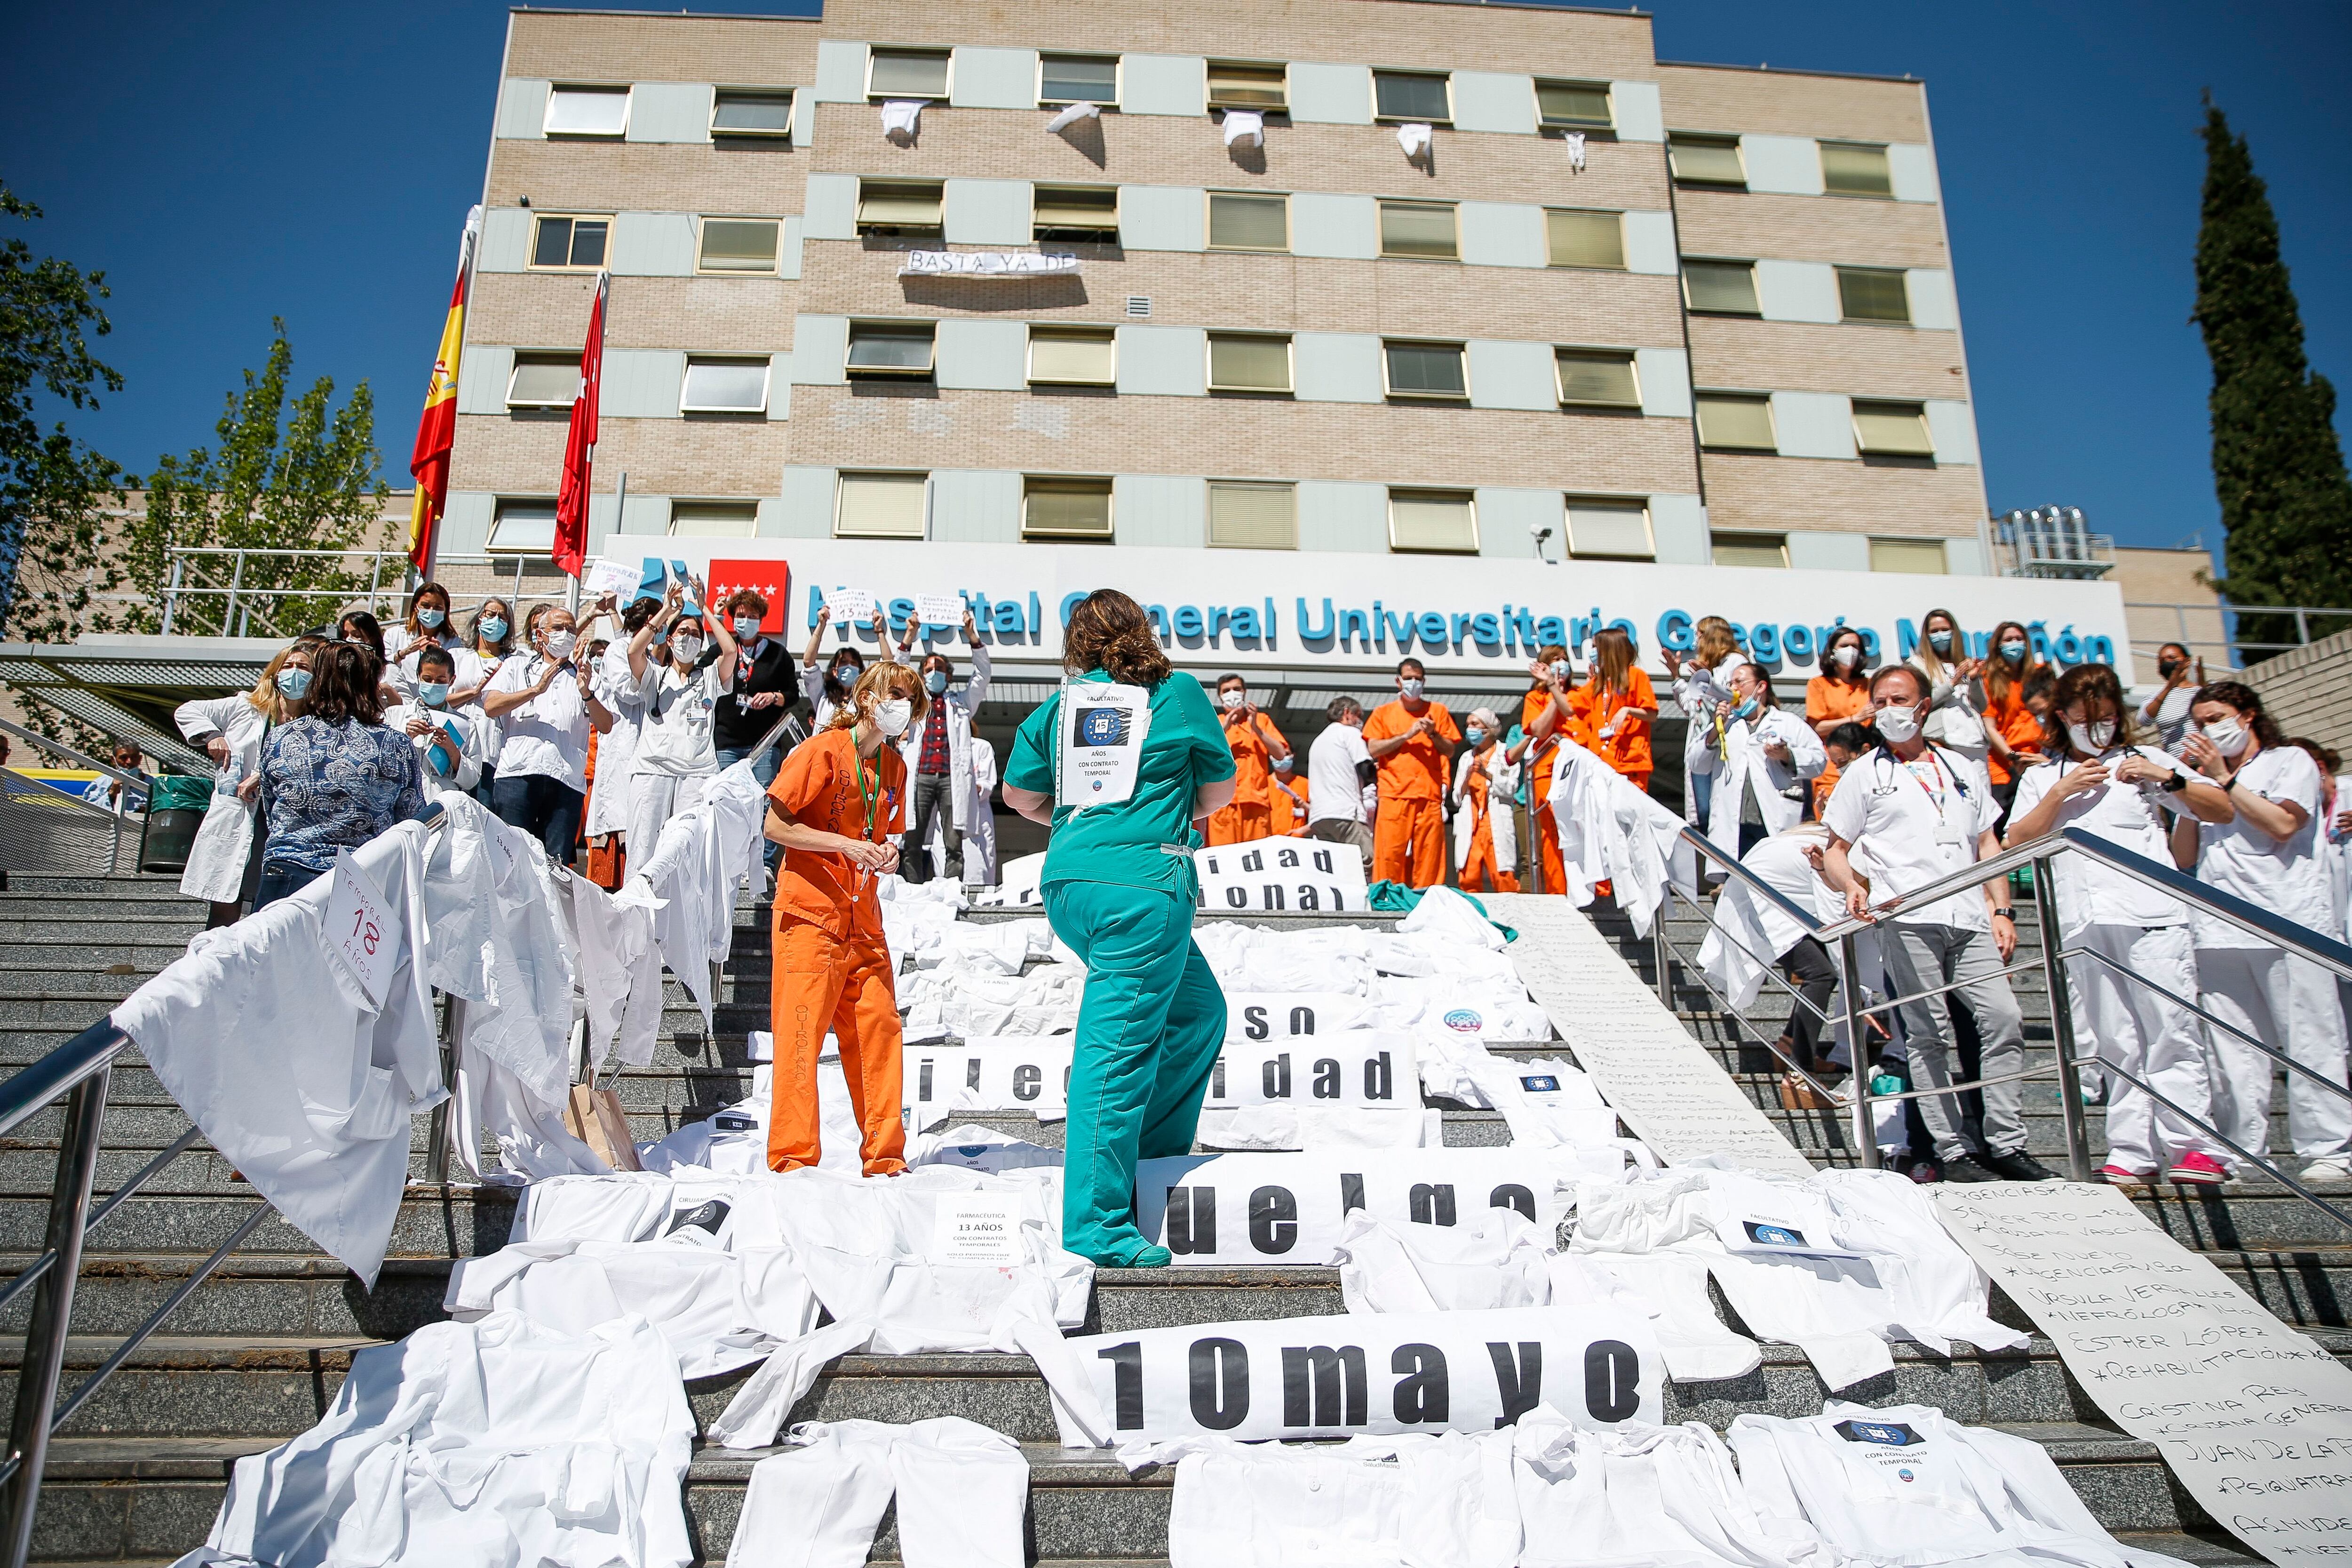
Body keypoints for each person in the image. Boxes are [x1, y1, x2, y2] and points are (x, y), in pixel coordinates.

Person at [1001, 589, 1236, 1266]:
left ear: (1076, 647)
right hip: (1143, 890)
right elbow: (1219, 795)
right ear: (1143, 631)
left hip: (1070, 884)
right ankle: (1098, 1225)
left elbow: (1018, 797)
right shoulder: (1178, 691)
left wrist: (1087, 829)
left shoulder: (1061, 705)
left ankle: (1151, 1160)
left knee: (1199, 1014)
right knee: (1117, 1055)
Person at [1820, 663, 2052, 1184]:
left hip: (1968, 916)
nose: (1887, 710)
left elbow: (1986, 843)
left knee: (2003, 1020)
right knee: (1927, 1034)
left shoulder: (1962, 768)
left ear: (1923, 707)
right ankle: (1950, 1151)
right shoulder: (1864, 774)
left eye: (1897, 700)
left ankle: (2005, 1142)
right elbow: (1835, 848)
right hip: (1907, 916)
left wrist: (2001, 908)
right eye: (1879, 702)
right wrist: (1852, 887)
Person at [2005, 663, 2234, 1186]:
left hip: (2152, 917)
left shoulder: (2146, 760)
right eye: (2086, 720)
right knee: (2114, 1040)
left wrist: (2167, 779)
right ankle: (2131, 1149)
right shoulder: (2044, 776)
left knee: (2170, 1032)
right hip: (2085, 923)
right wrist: (2057, 794)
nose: (2098, 729)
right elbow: (2016, 840)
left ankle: (2192, 1145)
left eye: (2107, 719)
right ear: (2062, 717)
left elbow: (2219, 808)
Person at [2170, 680, 2352, 1190]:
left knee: (2309, 1039)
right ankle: (2242, 1150)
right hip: (2220, 925)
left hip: (2287, 920)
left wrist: (2224, 781)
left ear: (2247, 715)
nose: (2208, 729)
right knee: (2231, 1048)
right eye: (2199, 722)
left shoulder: (2288, 760)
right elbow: (2183, 856)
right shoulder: (2202, 776)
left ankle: (2329, 1147)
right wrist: (2183, 792)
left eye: (2217, 717)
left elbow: (2280, 824)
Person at [762, 661, 923, 1177]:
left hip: (863, 917)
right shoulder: (819, 750)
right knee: (800, 1038)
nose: (902, 704)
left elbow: (882, 839)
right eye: (894, 693)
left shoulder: (895, 767)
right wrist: (845, 845)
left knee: (880, 1033)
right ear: (868, 696)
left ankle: (885, 1158)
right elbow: (773, 825)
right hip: (810, 914)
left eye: (909, 698)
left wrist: (888, 855)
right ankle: (792, 1159)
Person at [252, 643, 425, 910]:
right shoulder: (395, 745)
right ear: (370, 684)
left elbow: (271, 807)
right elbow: (411, 821)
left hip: (286, 874)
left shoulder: (279, 737)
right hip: (361, 881)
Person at [176, 637, 323, 927]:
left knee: (267, 907)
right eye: (288, 666)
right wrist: (212, 735)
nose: (294, 672)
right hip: (240, 815)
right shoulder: (246, 706)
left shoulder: (317, 721)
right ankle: (213, 964)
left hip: (284, 820)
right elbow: (187, 710)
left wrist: (263, 776)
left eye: (303, 667)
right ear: (275, 673)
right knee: (226, 901)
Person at [480, 602, 617, 865]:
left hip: (565, 779)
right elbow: (491, 706)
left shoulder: (586, 676)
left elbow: (606, 724)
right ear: (540, 635)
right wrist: (535, 690)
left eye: (570, 629)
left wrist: (586, 692)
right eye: (558, 628)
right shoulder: (516, 667)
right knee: (510, 861)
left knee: (555, 866)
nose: (565, 633)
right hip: (517, 776)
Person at [626, 575, 737, 857]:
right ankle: (638, 903)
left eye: (696, 634)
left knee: (688, 853)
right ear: (671, 637)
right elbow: (634, 651)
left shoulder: (710, 677)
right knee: (644, 850)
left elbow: (731, 650)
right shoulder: (655, 675)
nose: (689, 638)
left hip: (696, 774)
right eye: (683, 632)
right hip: (654, 770)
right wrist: (666, 611)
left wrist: (705, 609)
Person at [893, 610, 991, 883]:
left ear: (949, 676)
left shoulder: (962, 703)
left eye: (940, 669)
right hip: (921, 776)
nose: (934, 673)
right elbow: (896, 675)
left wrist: (972, 636)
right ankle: (912, 889)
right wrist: (909, 637)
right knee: (911, 840)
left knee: (953, 842)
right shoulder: (914, 703)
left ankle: (951, 890)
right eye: (928, 670)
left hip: (951, 779)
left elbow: (983, 675)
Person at [1696, 661, 1826, 862]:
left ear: (1761, 687)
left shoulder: (1788, 722)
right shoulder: (1725, 726)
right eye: (1731, 684)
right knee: (1737, 882)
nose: (1733, 689)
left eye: (1739, 682)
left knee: (1773, 878)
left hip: (1771, 819)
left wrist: (1786, 756)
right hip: (1734, 824)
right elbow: (1696, 764)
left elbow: (1819, 760)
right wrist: (1716, 726)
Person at [1361, 659, 1461, 887]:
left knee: (1430, 858)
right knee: (1389, 855)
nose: (1413, 683)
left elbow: (1450, 750)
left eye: (1417, 679)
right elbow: (1374, 748)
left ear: (1424, 682)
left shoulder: (1438, 711)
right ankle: (1386, 901)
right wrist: (1406, 736)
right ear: (1398, 682)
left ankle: (1426, 901)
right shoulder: (1382, 713)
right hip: (1394, 795)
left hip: (1428, 796)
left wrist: (1434, 734)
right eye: (1408, 679)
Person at [583, 597, 659, 884]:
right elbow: (628, 690)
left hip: (646, 752)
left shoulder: (649, 657)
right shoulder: (616, 651)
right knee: (618, 821)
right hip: (622, 747)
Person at [1518, 644, 1589, 893]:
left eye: (1564, 659)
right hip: (1549, 774)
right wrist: (1552, 689)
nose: (1561, 663)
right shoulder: (1535, 698)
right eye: (1554, 660)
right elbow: (1539, 731)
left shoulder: (1581, 693)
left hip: (1581, 772)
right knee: (1553, 838)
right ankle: (1560, 893)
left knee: (1587, 832)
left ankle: (1596, 892)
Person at [713, 588, 796, 783]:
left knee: (762, 800)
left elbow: (793, 694)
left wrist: (774, 697)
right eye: (741, 616)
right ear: (733, 619)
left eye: (752, 616)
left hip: (765, 744)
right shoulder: (724, 650)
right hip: (727, 743)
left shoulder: (778, 653)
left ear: (761, 620)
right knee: (726, 798)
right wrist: (716, 617)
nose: (746, 621)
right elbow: (703, 673)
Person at [382, 646, 488, 801]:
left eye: (440, 680)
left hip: (442, 804)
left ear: (452, 680)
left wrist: (453, 752)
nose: (433, 684)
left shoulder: (465, 725)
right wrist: (405, 739)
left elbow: (471, 781)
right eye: (427, 679)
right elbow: (382, 766)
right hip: (401, 803)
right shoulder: (395, 716)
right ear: (418, 676)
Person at [1664, 615, 1740, 830]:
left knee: (1716, 813)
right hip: (1703, 745)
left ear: (1711, 637)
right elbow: (1691, 705)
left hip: (1721, 748)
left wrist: (1710, 684)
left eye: (1698, 635)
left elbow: (1735, 700)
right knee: (1703, 815)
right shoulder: (1709, 669)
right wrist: (1675, 676)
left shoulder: (1734, 663)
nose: (1696, 642)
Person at [1206, 673, 1292, 845]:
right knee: (1225, 860)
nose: (1232, 693)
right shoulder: (1215, 722)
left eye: (1237, 689)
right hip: (1223, 805)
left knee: (1257, 861)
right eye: (1227, 690)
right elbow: (1203, 754)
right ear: (1220, 696)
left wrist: (1257, 729)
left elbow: (1281, 754)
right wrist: (1224, 729)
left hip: (1256, 803)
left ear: (1244, 692)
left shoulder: (1261, 720)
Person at [1573, 627, 1659, 795]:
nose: (1592, 652)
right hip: (1601, 765)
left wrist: (1628, 710)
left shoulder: (1636, 675)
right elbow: (1571, 706)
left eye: (1595, 647)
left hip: (1630, 765)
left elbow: (1652, 714)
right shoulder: (1599, 682)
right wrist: (1553, 686)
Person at [1979, 620, 2047, 821]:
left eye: (2019, 639)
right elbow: (1989, 727)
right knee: (2005, 820)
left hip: (2040, 758)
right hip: (2004, 765)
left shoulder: (2041, 673)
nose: (2014, 643)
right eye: (2008, 640)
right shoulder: (1988, 678)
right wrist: (2012, 756)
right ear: (1998, 646)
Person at [1805, 627, 1875, 818]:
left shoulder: (1870, 684)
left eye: (1855, 646)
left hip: (1864, 758)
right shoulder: (1819, 684)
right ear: (1833, 652)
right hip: (1832, 762)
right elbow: (1816, 728)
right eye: (1845, 646)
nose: (1851, 651)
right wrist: (1855, 719)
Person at [455, 597, 516, 808]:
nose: (496, 620)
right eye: (491, 614)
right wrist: (473, 693)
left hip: (494, 749)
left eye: (503, 617)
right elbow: (438, 699)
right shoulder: (458, 657)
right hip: (458, 746)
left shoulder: (514, 662)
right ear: (479, 619)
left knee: (485, 811)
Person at [1451, 707, 1520, 892]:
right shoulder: (1467, 757)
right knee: (1468, 877)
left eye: (1475, 724)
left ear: (1488, 728)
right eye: (1468, 725)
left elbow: (1511, 788)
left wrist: (1487, 774)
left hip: (1494, 823)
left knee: (1503, 876)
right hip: (1471, 825)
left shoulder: (1506, 754)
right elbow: (1457, 798)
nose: (1470, 729)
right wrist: (1467, 776)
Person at [1908, 608, 1988, 765]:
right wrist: (1952, 683)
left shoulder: (1964, 662)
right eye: (1935, 631)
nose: (1941, 635)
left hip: (1974, 742)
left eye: (1945, 630)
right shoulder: (1917, 665)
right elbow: (1919, 704)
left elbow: (1982, 705)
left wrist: (1974, 679)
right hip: (1944, 742)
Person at [801, 604, 895, 731]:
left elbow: (888, 666)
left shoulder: (867, 698)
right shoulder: (822, 696)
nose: (849, 666)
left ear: (861, 671)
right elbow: (808, 662)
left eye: (854, 663)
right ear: (835, 671)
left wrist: (880, 632)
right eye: (844, 662)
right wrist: (821, 625)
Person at [1306, 697, 1376, 866]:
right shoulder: (1350, 733)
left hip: (1319, 817)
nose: (1360, 721)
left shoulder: (1318, 741)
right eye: (1358, 715)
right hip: (1346, 813)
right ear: (1347, 713)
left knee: (1334, 869)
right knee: (1364, 864)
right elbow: (1366, 769)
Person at [386, 583, 463, 698]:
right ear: (416, 607)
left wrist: (440, 656)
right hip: (400, 701)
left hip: (435, 703)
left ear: (446, 611)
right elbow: (382, 667)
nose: (431, 611)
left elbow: (456, 676)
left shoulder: (455, 642)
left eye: (438, 607)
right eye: (426, 606)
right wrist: (404, 653)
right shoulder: (394, 634)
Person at [2137, 643, 2205, 753]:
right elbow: (2145, 720)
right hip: (2176, 763)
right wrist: (2169, 687)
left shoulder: (2200, 690)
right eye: (2162, 661)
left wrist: (2202, 684)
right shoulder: (2154, 697)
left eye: (2172, 658)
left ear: (2187, 661)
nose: (2167, 662)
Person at [79, 740, 150, 815]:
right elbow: (88, 811)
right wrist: (112, 794)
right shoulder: (102, 782)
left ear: (140, 759)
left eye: (133, 757)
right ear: (113, 760)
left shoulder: (154, 783)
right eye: (124, 758)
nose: (129, 762)